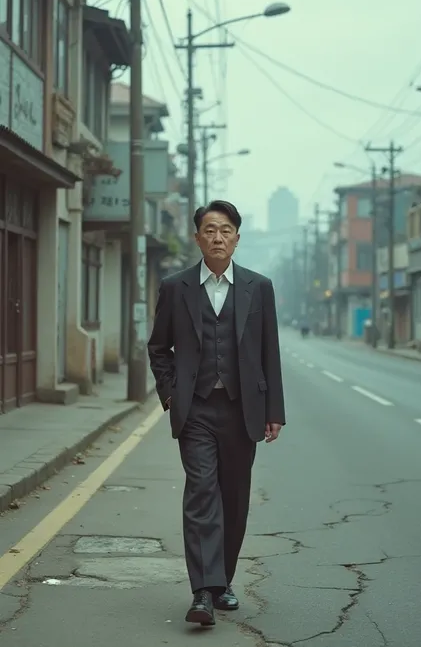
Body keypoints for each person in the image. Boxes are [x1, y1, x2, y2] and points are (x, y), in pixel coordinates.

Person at [148, 200, 286, 627]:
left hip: (243, 410)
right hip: (197, 411)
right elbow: (159, 348)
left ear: (237, 238)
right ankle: (202, 593)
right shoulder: (176, 287)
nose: (218, 237)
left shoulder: (258, 287)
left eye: (226, 230)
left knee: (234, 499)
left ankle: (223, 580)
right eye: (210, 229)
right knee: (201, 495)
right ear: (197, 238)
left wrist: (274, 411)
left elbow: (270, 353)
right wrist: (172, 396)